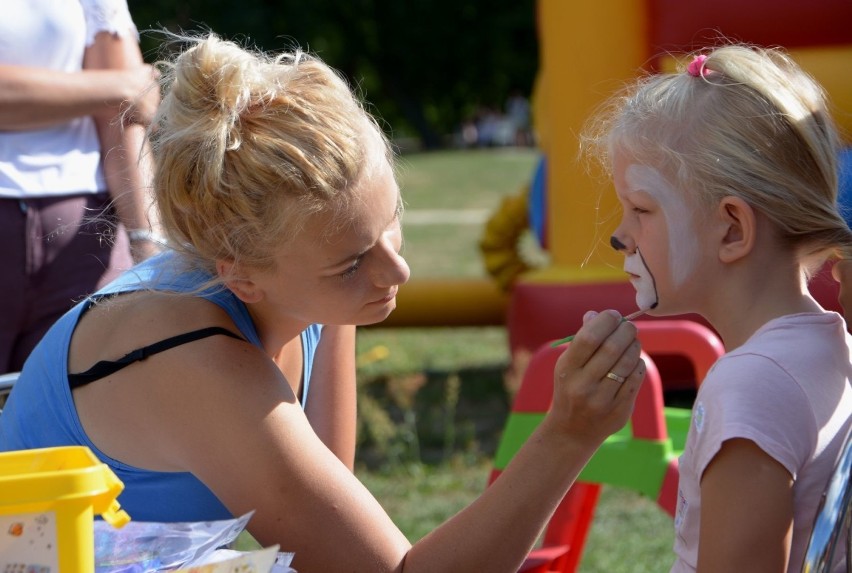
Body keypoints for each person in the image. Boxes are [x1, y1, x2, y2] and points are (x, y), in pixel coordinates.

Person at [0, 33, 646, 571]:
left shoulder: (311, 291)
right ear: (241, 275)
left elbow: (326, 538)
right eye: (352, 261)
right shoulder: (193, 359)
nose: (397, 269)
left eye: (389, 223)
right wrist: (567, 433)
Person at [587, 45, 852, 572]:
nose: (620, 236)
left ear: (732, 228)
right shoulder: (833, 344)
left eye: (641, 209)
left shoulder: (751, 386)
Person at [0, 0, 162, 374]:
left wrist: (152, 249)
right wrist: (114, 87)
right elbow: (128, 88)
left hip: (88, 237)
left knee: (81, 418)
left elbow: (126, 117)